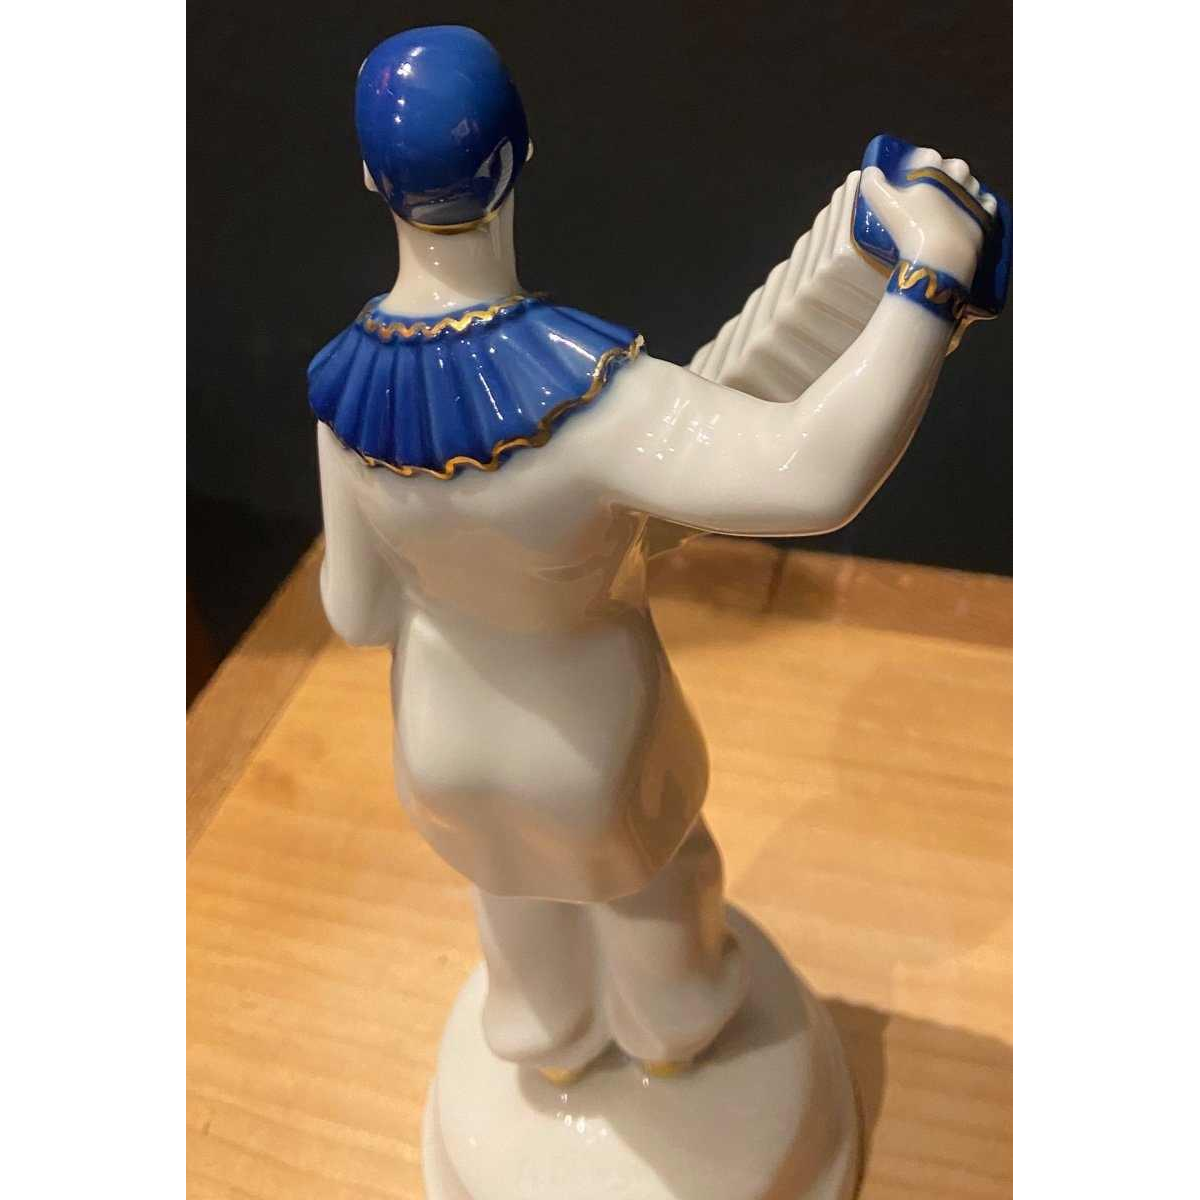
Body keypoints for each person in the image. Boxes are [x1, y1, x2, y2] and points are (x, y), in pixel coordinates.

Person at [311, 25, 992, 1081]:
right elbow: (809, 472)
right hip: (590, 741)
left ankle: (548, 1041)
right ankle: (674, 1034)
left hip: (440, 736)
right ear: (519, 158)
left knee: (512, 899)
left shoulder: (339, 392)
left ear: (370, 180)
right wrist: (928, 285)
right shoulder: (592, 393)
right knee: (653, 895)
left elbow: (356, 614)